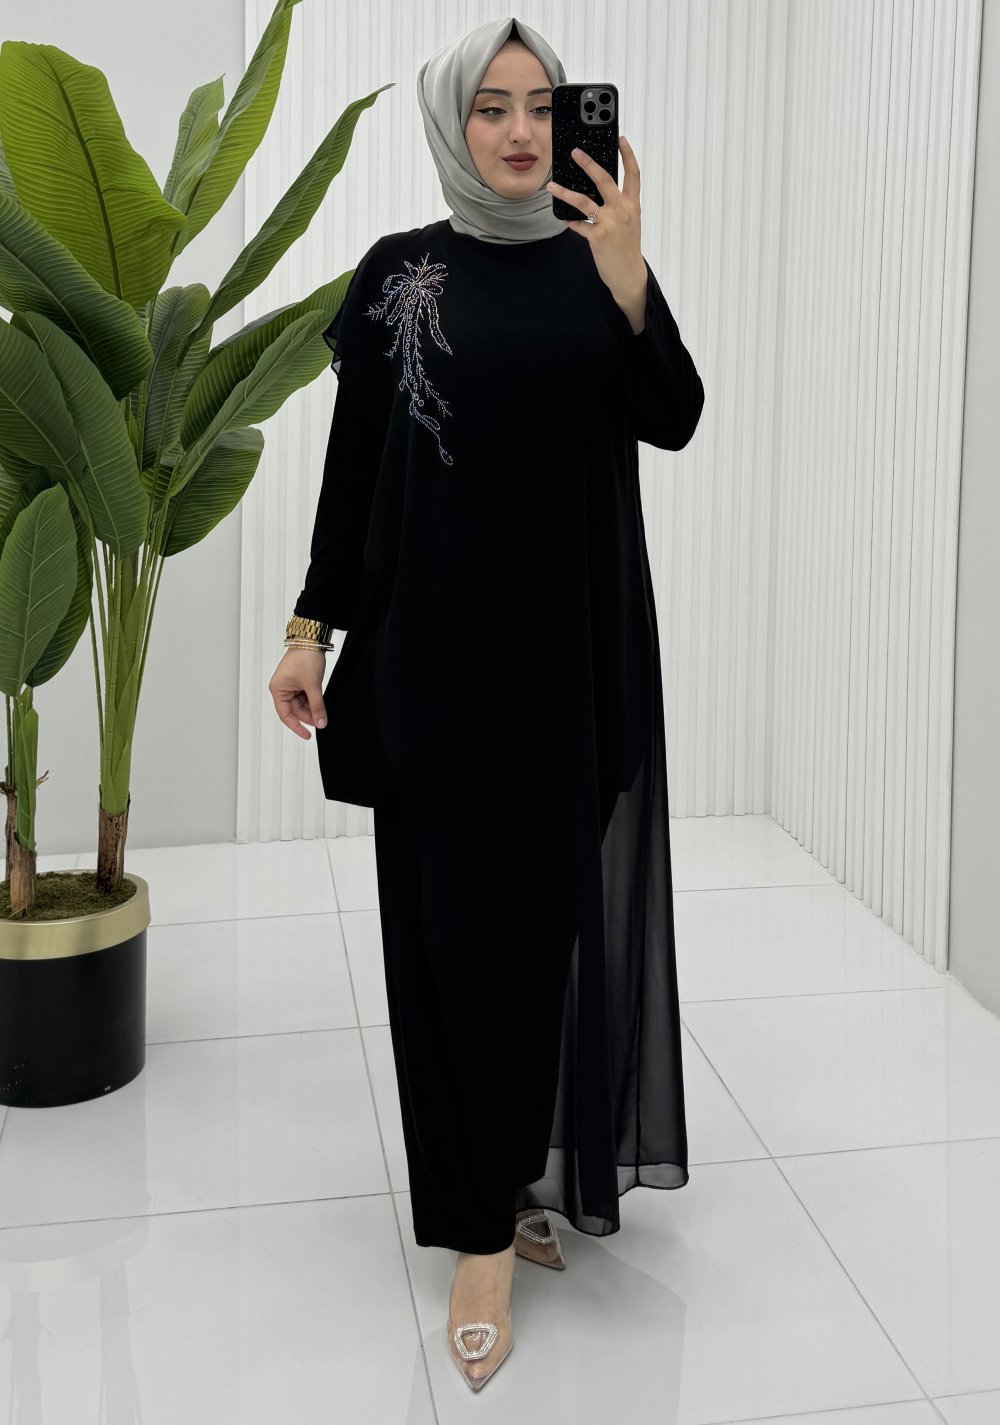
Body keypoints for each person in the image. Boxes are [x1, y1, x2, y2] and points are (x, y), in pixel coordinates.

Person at [268, 15, 704, 1393]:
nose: (520, 131)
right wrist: (308, 628)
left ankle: (509, 1179)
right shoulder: (401, 273)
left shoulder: (599, 263)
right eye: (491, 107)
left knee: (541, 925)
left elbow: (676, 414)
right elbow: (355, 471)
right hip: (433, 663)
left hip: (569, 663)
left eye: (541, 106)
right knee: (443, 936)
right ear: (454, 122)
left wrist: (630, 280)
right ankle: (476, 1232)